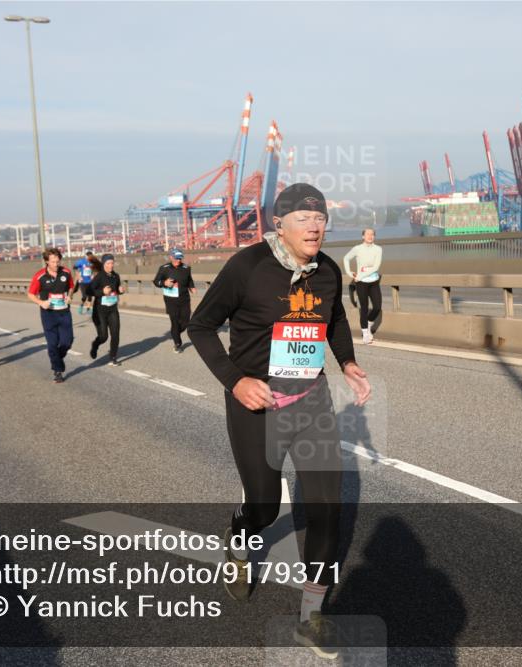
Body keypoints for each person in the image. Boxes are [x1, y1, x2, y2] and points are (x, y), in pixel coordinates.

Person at [188, 183, 371, 659]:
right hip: (257, 404)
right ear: (280, 224)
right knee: (266, 508)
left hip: (312, 401)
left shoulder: (327, 271)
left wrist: (347, 363)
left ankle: (311, 617)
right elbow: (201, 326)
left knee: (327, 507)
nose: (315, 226)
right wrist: (236, 381)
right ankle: (240, 539)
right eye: (304, 218)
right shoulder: (247, 267)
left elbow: (334, 321)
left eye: (321, 218)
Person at [27, 248, 75, 383]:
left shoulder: (66, 272)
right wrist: (41, 302)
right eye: (53, 262)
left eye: (57, 261)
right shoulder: (39, 276)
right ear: (47, 262)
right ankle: (58, 370)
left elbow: (71, 287)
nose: (56, 264)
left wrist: (70, 296)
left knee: (67, 342)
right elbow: (30, 294)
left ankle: (57, 360)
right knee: (52, 344)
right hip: (48, 314)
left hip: (64, 312)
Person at [342, 227, 383, 344]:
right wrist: (350, 273)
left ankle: (369, 324)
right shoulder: (357, 249)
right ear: (363, 236)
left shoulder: (378, 249)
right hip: (361, 283)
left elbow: (376, 267)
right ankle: (365, 334)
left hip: (373, 282)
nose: (370, 236)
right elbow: (346, 258)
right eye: (368, 234)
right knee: (364, 308)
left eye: (372, 234)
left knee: (377, 307)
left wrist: (361, 275)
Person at [153, 249, 196, 353]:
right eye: (176, 258)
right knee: (175, 321)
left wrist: (192, 287)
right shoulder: (164, 268)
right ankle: (177, 343)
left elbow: (189, 280)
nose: (178, 260)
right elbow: (156, 281)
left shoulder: (186, 268)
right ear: (171, 257)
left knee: (185, 322)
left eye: (180, 258)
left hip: (184, 299)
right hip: (171, 300)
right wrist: (164, 282)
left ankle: (175, 332)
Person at [88, 254, 124, 365]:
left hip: (112, 309)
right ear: (104, 264)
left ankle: (113, 357)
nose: (111, 265)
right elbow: (89, 291)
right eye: (108, 263)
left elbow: (116, 290)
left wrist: (120, 290)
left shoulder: (115, 276)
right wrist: (102, 292)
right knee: (103, 336)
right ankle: (95, 345)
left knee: (116, 334)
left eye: (112, 263)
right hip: (100, 311)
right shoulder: (99, 277)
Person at [74, 250, 96, 315]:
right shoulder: (81, 261)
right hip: (82, 281)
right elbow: (75, 268)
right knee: (84, 296)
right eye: (88, 257)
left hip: (90, 281)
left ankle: (88, 309)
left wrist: (92, 275)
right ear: (86, 256)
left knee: (90, 296)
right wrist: (78, 276)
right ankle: (81, 306)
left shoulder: (92, 262)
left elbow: (94, 270)